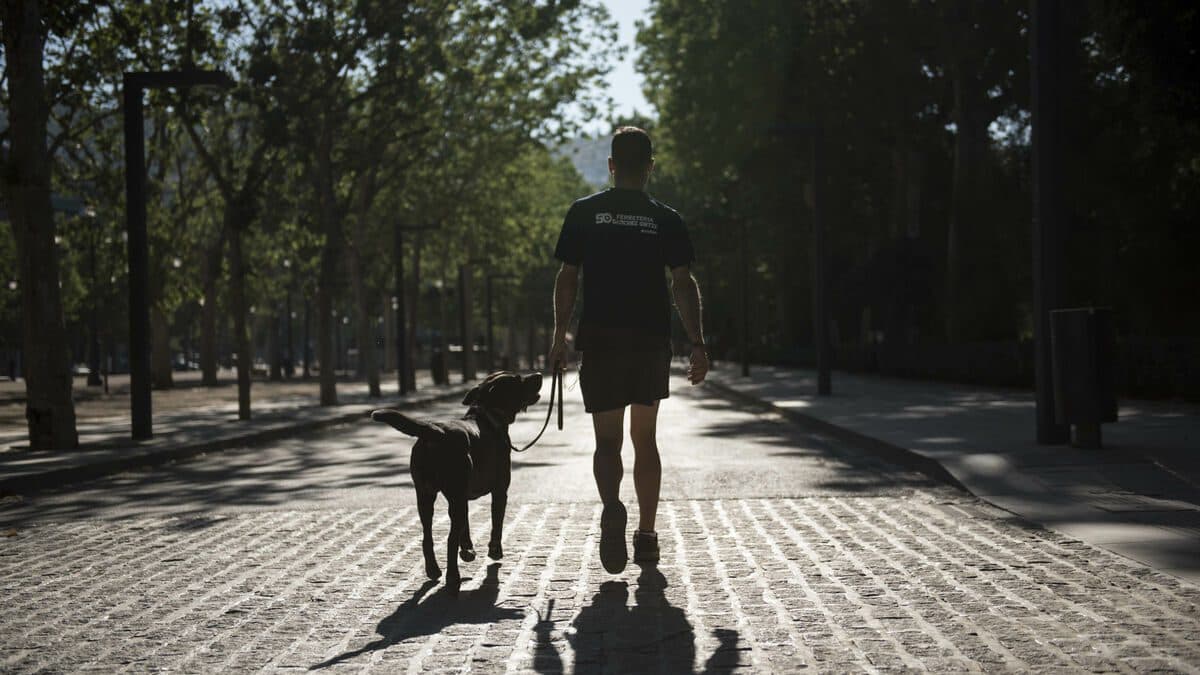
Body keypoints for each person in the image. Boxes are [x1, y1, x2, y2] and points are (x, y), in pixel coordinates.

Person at [548, 126, 709, 574]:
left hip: (600, 339)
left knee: (607, 442)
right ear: (651, 167)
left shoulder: (584, 212)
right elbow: (682, 283)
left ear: (612, 165)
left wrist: (560, 335)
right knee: (645, 440)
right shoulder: (666, 219)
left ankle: (612, 507)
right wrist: (697, 343)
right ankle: (648, 535)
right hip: (648, 340)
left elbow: (568, 277)